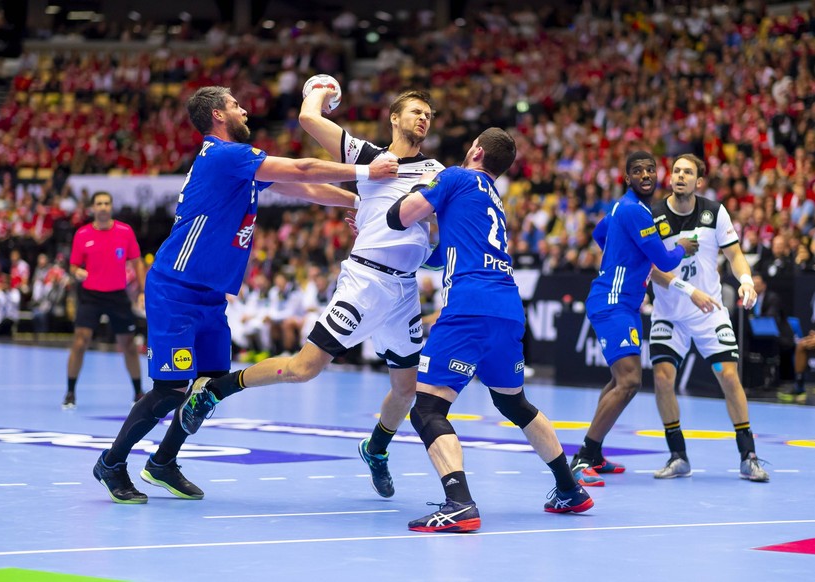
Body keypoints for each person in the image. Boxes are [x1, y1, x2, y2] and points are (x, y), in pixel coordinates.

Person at [92, 85, 397, 504]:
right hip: (175, 291)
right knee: (171, 389)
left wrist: (363, 207)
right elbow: (305, 170)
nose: (245, 109)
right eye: (236, 104)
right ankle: (111, 462)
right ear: (218, 114)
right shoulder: (223, 155)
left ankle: (163, 462)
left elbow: (304, 189)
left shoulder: (238, 164)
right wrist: (368, 173)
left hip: (209, 296)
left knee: (209, 387)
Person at [177, 89, 443, 499]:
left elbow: (440, 225)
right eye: (415, 112)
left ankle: (376, 448)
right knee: (305, 369)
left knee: (407, 390)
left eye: (429, 114)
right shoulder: (368, 155)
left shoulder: (437, 171)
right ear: (394, 117)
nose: (424, 118)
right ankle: (215, 390)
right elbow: (309, 119)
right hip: (366, 282)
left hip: (405, 289)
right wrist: (319, 91)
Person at [383, 128, 592, 533]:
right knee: (515, 404)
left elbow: (399, 216)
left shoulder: (456, 177)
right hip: (508, 309)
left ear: (476, 151)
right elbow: (439, 257)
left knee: (427, 409)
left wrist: (399, 200)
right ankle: (569, 488)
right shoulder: (491, 198)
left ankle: (459, 503)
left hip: (470, 309)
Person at [571, 151, 699, 487]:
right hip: (613, 302)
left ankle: (594, 454)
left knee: (618, 380)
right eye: (637, 171)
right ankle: (582, 457)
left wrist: (623, 254)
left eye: (650, 170)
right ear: (627, 178)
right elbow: (665, 260)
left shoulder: (619, 208)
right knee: (629, 381)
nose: (645, 175)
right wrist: (683, 246)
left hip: (619, 302)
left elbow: (601, 236)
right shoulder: (635, 211)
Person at [648, 154, 769, 482]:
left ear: (699, 182)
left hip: (708, 312)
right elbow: (652, 268)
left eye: (688, 172)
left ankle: (748, 455)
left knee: (728, 375)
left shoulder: (714, 212)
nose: (680, 176)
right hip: (670, 312)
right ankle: (678, 455)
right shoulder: (653, 214)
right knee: (662, 377)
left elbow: (734, 254)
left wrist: (745, 280)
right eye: (676, 171)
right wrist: (687, 290)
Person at [64, 191, 145, 409]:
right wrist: (77, 273)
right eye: (98, 203)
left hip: (117, 295)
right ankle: (70, 392)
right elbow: (73, 266)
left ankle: (138, 392)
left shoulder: (124, 232)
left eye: (106, 203)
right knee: (80, 342)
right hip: (91, 296)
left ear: (111, 206)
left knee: (128, 344)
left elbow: (137, 262)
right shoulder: (82, 234)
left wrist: (143, 291)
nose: (103, 207)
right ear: (93, 208)